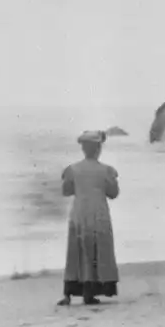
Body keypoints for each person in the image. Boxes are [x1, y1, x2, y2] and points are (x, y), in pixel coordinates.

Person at [57, 130, 119, 306]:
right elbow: (113, 193)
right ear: (98, 148)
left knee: (76, 252)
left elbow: (66, 191)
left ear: (83, 149)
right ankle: (91, 291)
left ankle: (70, 292)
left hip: (79, 212)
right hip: (99, 213)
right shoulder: (106, 170)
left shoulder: (73, 169)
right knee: (97, 251)